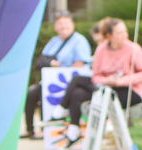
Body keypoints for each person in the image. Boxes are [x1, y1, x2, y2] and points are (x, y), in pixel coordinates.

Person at [57, 18, 142, 129]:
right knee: (77, 93)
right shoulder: (101, 50)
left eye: (125, 31)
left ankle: (101, 124)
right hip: (107, 87)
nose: (124, 35)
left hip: (130, 91)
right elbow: (96, 76)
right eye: (119, 33)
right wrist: (108, 80)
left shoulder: (134, 49)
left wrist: (124, 80)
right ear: (109, 36)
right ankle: (73, 132)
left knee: (102, 98)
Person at [22, 10, 93, 139]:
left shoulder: (79, 41)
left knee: (45, 93)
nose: (63, 26)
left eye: (66, 23)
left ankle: (45, 131)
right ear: (55, 26)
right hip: (51, 79)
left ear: (72, 24)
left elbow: (81, 63)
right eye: (60, 23)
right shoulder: (54, 41)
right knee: (31, 93)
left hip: (67, 81)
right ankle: (30, 129)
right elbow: (43, 59)